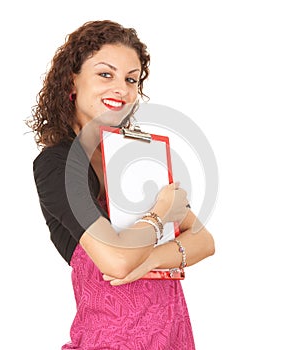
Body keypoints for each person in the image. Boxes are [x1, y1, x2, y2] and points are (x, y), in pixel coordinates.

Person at [27, 20, 215, 350]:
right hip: (110, 341)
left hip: (173, 336)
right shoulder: (56, 165)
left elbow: (204, 241)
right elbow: (115, 261)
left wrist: (150, 259)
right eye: (105, 74)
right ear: (72, 80)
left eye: (131, 79)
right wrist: (161, 213)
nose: (122, 89)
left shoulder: (136, 155)